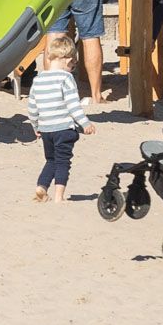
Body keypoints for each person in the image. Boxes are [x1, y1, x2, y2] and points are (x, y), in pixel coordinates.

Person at [26, 35, 95, 203]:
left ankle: (41, 187)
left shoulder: (39, 79)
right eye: (73, 65)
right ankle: (59, 196)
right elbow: (73, 105)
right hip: (63, 128)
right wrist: (85, 123)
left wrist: (36, 126)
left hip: (46, 129)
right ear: (68, 60)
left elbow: (32, 108)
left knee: (51, 160)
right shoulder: (66, 78)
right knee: (63, 162)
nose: (72, 68)